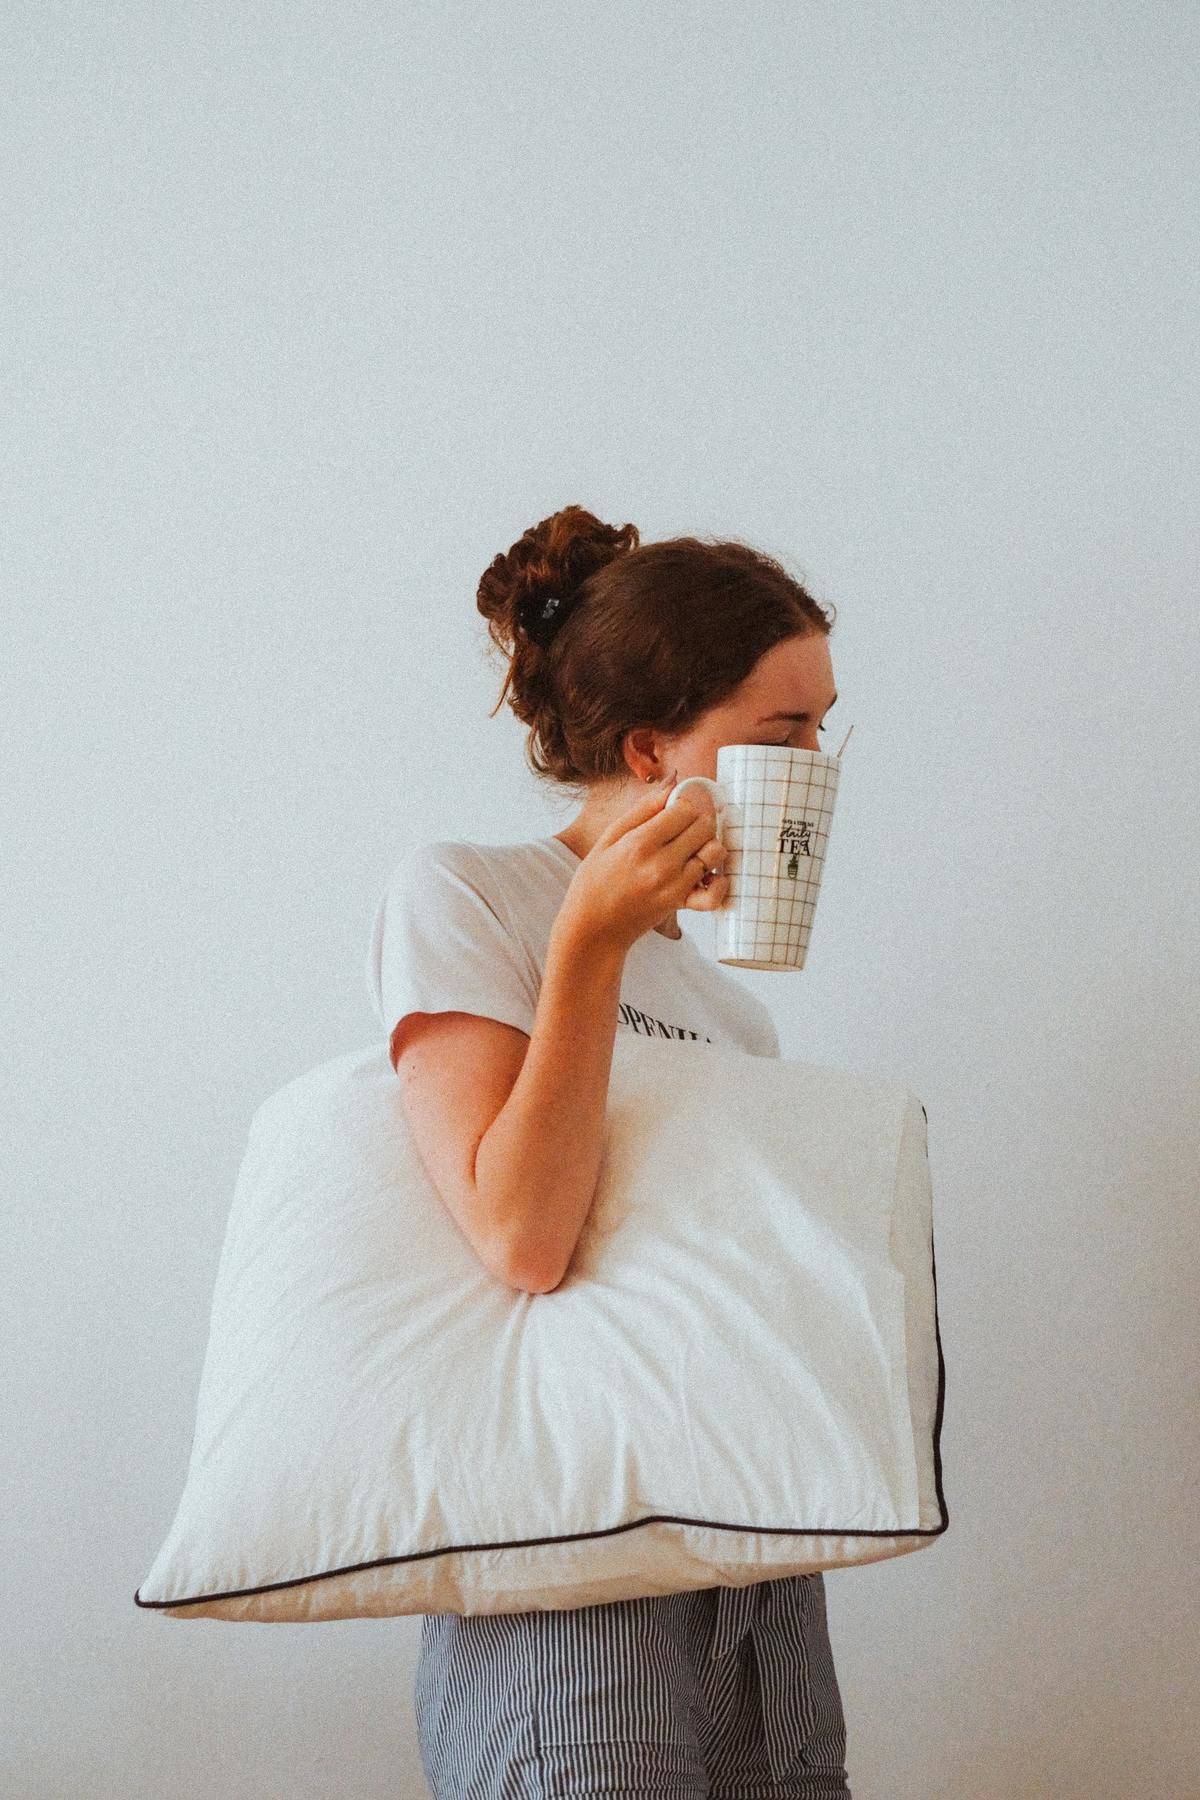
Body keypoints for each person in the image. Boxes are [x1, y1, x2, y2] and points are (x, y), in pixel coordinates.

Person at [366, 505, 852, 1796]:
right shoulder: (469, 895)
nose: (819, 762)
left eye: (826, 726)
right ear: (651, 749)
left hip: (755, 1570)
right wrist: (591, 940)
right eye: (781, 732)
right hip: (571, 1576)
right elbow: (520, 1236)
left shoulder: (736, 1009)